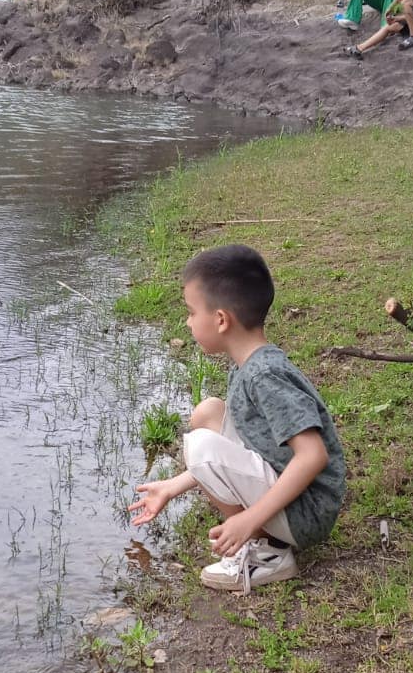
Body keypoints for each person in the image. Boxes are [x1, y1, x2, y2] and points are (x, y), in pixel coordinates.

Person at [128, 246, 346, 593]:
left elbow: (313, 455)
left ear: (220, 319)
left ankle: (267, 553)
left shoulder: (264, 375)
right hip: (292, 493)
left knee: (200, 445)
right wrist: (172, 486)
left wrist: (248, 520)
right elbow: (245, 439)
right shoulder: (250, 365)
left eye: (190, 312)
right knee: (209, 413)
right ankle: (263, 536)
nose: (187, 322)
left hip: (308, 514)